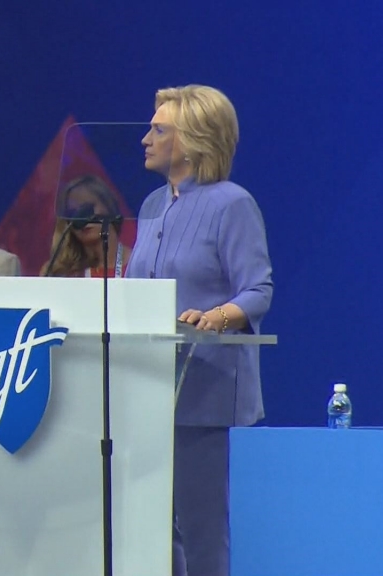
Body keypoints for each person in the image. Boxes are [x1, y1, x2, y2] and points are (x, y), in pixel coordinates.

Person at [125, 85, 273, 576]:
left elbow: (257, 290)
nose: (145, 137)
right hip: (145, 387)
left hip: (201, 387)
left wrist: (216, 316)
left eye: (158, 129)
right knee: (152, 528)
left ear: (192, 140)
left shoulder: (232, 204)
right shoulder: (149, 205)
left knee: (201, 528)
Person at [41, 175, 130, 278]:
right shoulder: (58, 272)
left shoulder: (140, 264)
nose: (83, 218)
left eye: (87, 208)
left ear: (108, 206)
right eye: (73, 212)